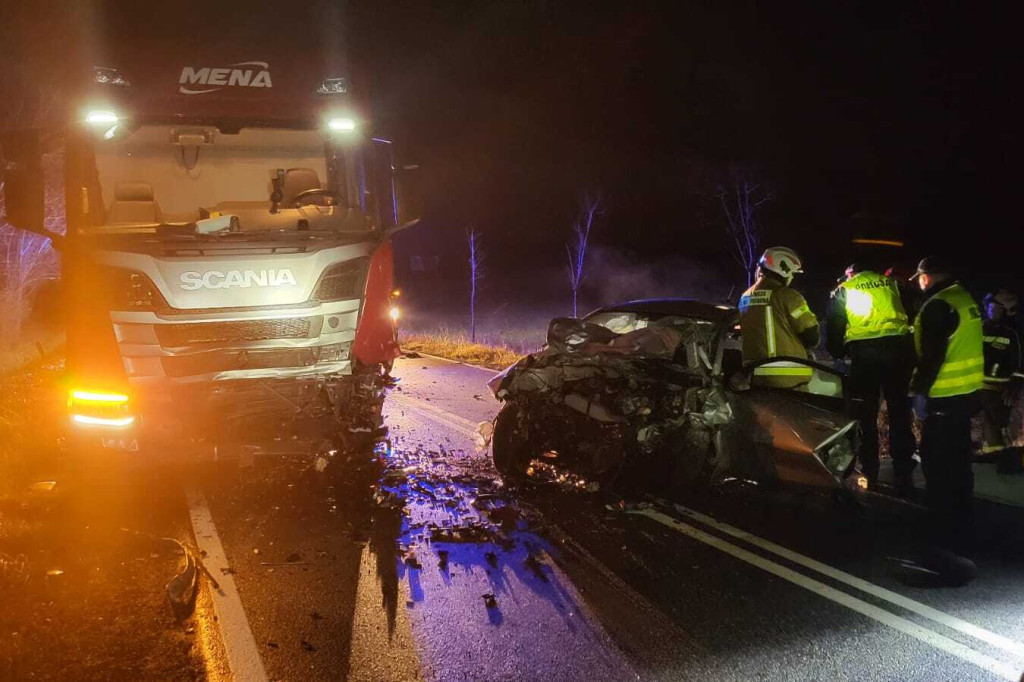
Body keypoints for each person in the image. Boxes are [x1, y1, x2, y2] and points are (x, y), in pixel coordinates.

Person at [909, 256, 984, 547]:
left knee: (937, 465)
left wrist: (919, 392)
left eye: (920, 278)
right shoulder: (964, 298)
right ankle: (964, 520)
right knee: (960, 461)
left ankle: (941, 528)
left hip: (942, 397)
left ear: (926, 277)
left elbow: (932, 356)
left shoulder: (938, 305)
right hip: (966, 396)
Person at [826, 262, 915, 492]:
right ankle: (903, 472)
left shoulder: (846, 287)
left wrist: (838, 351)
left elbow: (834, 324)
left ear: (852, 273)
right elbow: (912, 313)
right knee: (900, 413)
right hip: (898, 353)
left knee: (866, 414)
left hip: (865, 356)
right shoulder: (891, 283)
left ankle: (869, 471)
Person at [738, 247, 820, 388]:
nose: (792, 277)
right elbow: (811, 335)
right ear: (784, 270)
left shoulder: (745, 297)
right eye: (792, 274)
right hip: (788, 380)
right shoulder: (788, 296)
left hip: (755, 379)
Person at [980, 289, 1023, 471]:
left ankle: (1009, 463)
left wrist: (1015, 386)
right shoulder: (980, 327)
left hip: (1002, 390)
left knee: (1003, 428)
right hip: (980, 388)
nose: (991, 310)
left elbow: (1020, 362)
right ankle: (993, 461)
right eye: (990, 306)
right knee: (988, 428)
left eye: (995, 307)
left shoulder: (1013, 333)